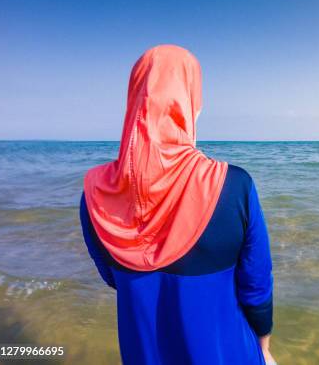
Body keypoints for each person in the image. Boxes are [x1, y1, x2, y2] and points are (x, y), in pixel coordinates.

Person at [79, 45, 275, 364]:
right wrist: (263, 346)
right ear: (191, 105)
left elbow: (113, 279)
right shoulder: (234, 185)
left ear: (133, 100)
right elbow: (256, 288)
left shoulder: (94, 192)